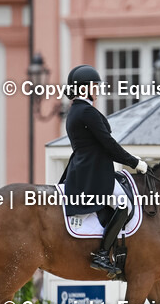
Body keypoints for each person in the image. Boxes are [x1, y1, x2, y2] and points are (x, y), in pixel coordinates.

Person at [58, 65, 148, 277]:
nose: (97, 90)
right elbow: (108, 145)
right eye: (94, 86)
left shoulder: (75, 111)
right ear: (83, 88)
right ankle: (102, 254)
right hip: (92, 173)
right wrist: (134, 162)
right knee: (124, 204)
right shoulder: (86, 112)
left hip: (84, 169)